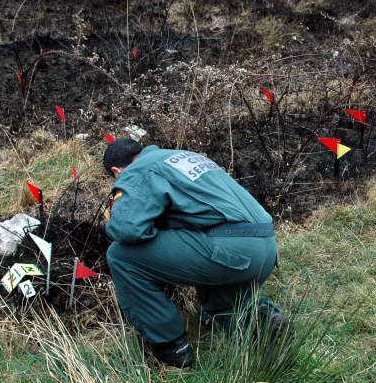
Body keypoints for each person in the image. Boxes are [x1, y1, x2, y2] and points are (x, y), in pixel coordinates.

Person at [103, 138, 285, 368]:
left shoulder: (139, 170)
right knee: (219, 311)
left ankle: (171, 346)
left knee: (120, 256)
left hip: (233, 248)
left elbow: (126, 229)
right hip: (265, 246)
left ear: (117, 171)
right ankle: (265, 322)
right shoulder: (181, 156)